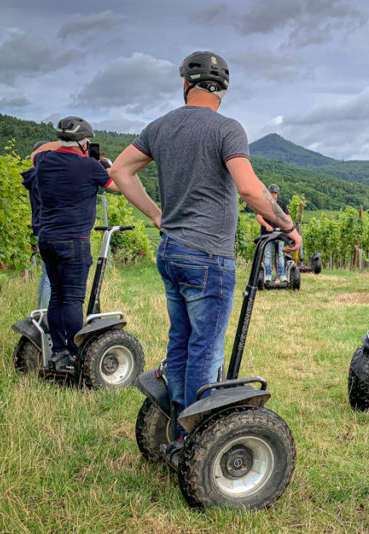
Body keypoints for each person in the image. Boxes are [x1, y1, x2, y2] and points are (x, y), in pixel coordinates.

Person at [110, 51, 301, 456]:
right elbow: (249, 189)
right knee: (206, 348)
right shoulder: (227, 129)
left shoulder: (160, 127)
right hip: (209, 257)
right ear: (224, 90)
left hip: (171, 251)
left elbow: (120, 171)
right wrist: (287, 225)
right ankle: (191, 440)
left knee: (180, 340)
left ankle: (178, 418)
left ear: (185, 85)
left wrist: (157, 214)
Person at [32, 117, 121, 373]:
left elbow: (35, 153)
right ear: (84, 143)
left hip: (47, 238)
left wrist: (64, 140)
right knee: (73, 299)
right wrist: (107, 167)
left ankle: (58, 349)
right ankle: (74, 352)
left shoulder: (43, 161)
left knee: (57, 295)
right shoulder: (88, 167)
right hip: (74, 240)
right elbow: (116, 186)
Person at [20, 141, 51, 308]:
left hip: (38, 227)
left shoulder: (33, 177)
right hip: (48, 228)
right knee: (50, 277)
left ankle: (40, 311)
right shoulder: (44, 178)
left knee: (45, 274)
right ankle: (46, 316)